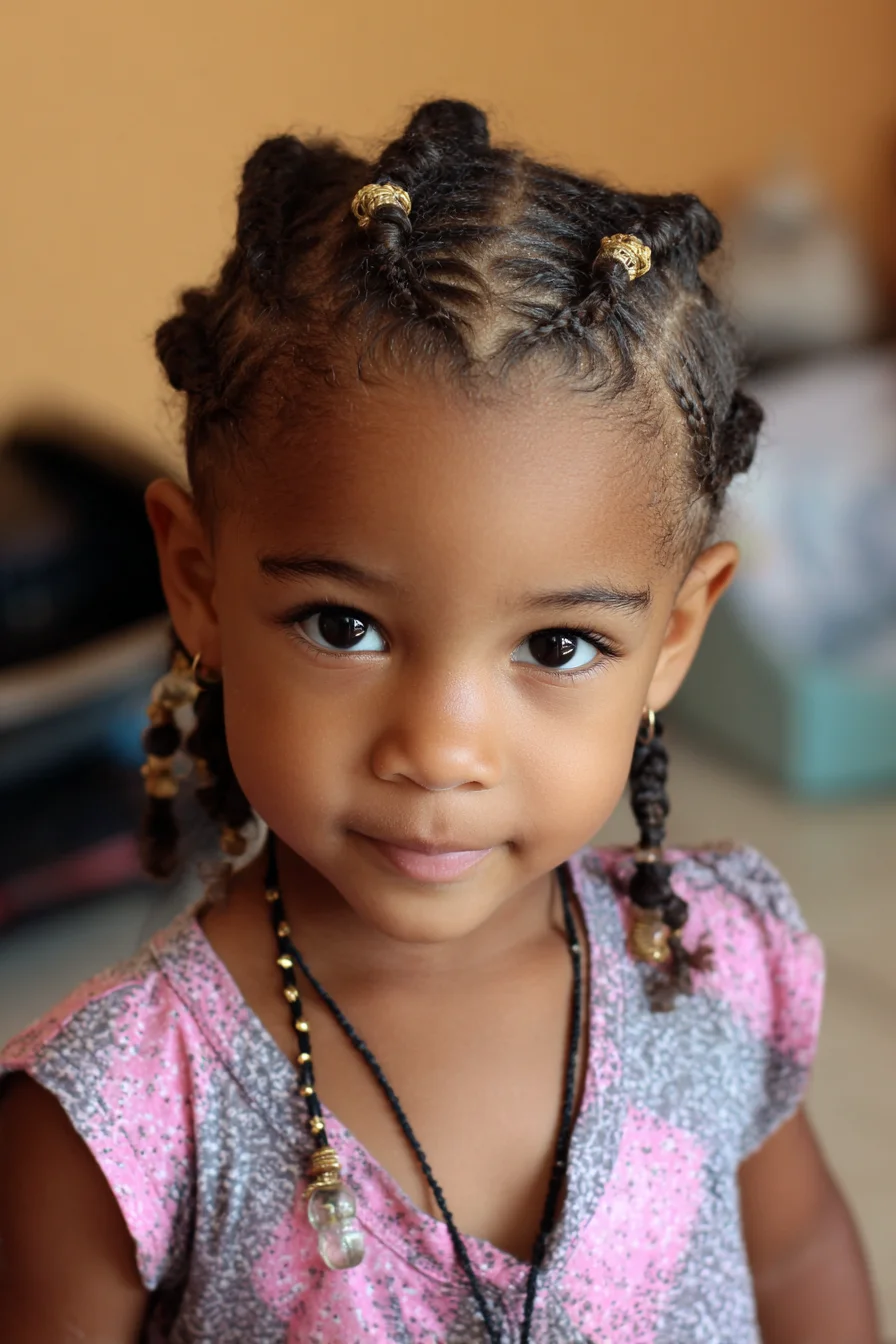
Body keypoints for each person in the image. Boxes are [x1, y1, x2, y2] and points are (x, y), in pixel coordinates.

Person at [0, 100, 879, 1343]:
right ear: (196, 582)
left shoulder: (709, 971)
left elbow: (795, 1261)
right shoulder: (122, 1117)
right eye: (342, 626)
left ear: (673, 637)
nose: (439, 749)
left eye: (555, 646)